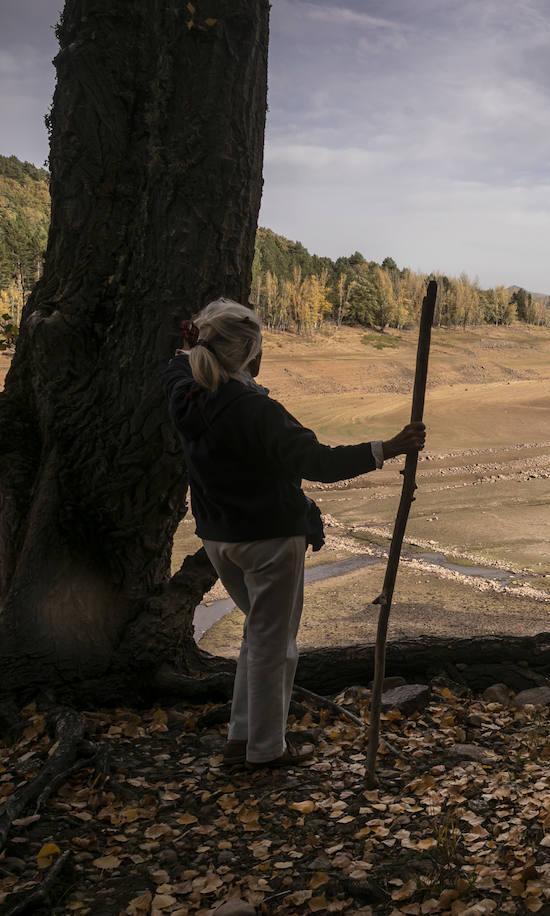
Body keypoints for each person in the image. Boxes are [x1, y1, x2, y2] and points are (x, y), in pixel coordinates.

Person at [164, 298, 425, 768]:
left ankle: (241, 739)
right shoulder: (255, 410)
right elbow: (319, 463)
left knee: (257, 635)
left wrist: (198, 344)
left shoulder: (183, 390)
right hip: (268, 539)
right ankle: (265, 750)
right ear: (251, 356)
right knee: (274, 644)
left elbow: (180, 364)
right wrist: (389, 447)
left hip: (218, 538)